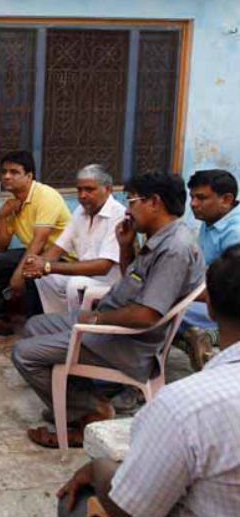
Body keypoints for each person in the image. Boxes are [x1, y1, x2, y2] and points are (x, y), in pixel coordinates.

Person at [12, 171, 205, 448]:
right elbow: (133, 281)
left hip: (126, 342)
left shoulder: (174, 249)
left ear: (154, 202)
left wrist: (96, 317)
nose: (128, 209)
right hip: (111, 324)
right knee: (34, 327)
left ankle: (90, 412)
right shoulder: (158, 238)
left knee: (24, 354)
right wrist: (126, 249)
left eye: (133, 200)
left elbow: (146, 315)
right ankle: (77, 401)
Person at [57, 244, 240, 517]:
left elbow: (130, 507)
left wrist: (98, 469)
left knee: (77, 501)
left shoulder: (186, 407)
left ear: (210, 308)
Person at [0, 150, 71, 338]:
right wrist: (2, 215)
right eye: (4, 172)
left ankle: (36, 326)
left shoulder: (45, 196)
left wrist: (19, 274)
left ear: (29, 176)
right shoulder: (14, 203)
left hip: (63, 257)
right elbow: (0, 246)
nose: (7, 177)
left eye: (14, 172)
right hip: (37, 252)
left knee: (31, 268)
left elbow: (39, 241)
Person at [23, 164, 126, 313]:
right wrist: (37, 264)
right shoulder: (80, 211)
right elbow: (59, 248)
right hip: (83, 276)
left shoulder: (119, 215)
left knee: (75, 283)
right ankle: (55, 321)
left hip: (110, 282)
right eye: (79, 190)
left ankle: (75, 327)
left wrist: (47, 266)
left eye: (89, 189)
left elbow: (103, 267)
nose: (82, 195)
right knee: (42, 278)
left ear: (108, 189)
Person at [180, 169, 240, 370]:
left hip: (229, 302)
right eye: (192, 197)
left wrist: (181, 293)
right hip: (210, 294)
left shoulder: (235, 232)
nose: (193, 204)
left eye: (201, 198)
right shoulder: (211, 221)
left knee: (164, 310)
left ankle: (210, 337)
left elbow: (231, 292)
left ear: (226, 199)